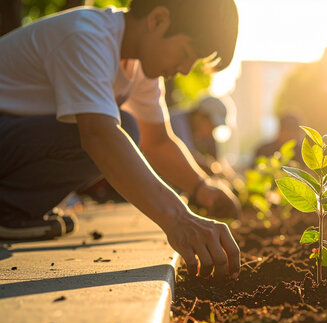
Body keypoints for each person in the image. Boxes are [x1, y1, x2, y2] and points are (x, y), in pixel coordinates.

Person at [0, 0, 241, 280]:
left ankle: (13, 207)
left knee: (125, 127)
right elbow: (98, 136)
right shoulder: (85, 36)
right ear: (158, 20)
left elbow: (158, 142)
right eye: (186, 53)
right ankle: (7, 209)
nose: (186, 69)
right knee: (117, 127)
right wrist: (178, 219)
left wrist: (202, 188)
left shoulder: (139, 64)